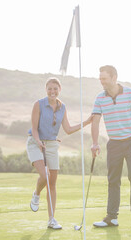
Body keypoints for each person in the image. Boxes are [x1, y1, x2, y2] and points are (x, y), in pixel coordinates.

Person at [26, 77, 92, 229]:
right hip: (35, 142)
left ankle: (51, 220)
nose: (52, 91)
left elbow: (68, 129)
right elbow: (34, 128)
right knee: (45, 176)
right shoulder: (38, 104)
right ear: (46, 89)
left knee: (53, 183)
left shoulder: (62, 107)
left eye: (55, 88)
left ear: (59, 90)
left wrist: (86, 122)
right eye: (49, 88)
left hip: (52, 145)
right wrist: (38, 141)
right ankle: (36, 194)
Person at [91, 65, 131, 227]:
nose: (102, 82)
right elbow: (95, 121)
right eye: (100, 79)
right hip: (113, 143)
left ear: (114, 78)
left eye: (104, 79)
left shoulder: (130, 93)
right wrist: (94, 143)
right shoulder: (100, 98)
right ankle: (112, 217)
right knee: (113, 180)